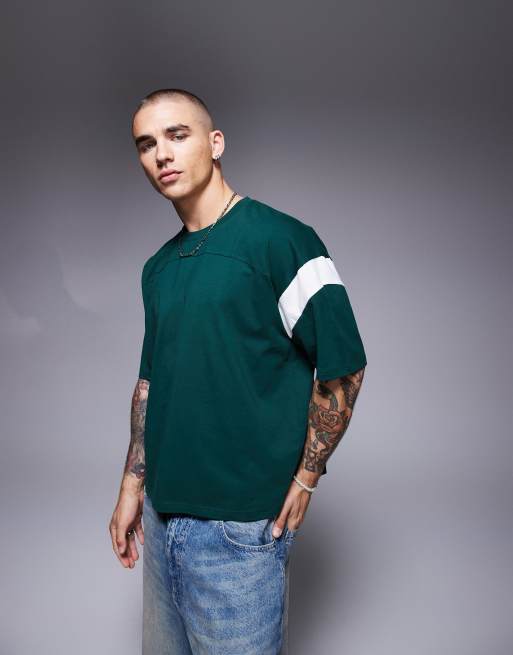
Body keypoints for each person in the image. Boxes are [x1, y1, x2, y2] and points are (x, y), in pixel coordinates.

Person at [109, 88, 367, 654]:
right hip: (161, 517)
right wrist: (131, 487)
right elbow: (150, 384)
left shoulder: (283, 240)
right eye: (146, 144)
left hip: (238, 530)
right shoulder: (158, 268)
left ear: (215, 143)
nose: (161, 154)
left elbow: (344, 365)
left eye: (177, 135)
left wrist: (307, 476)